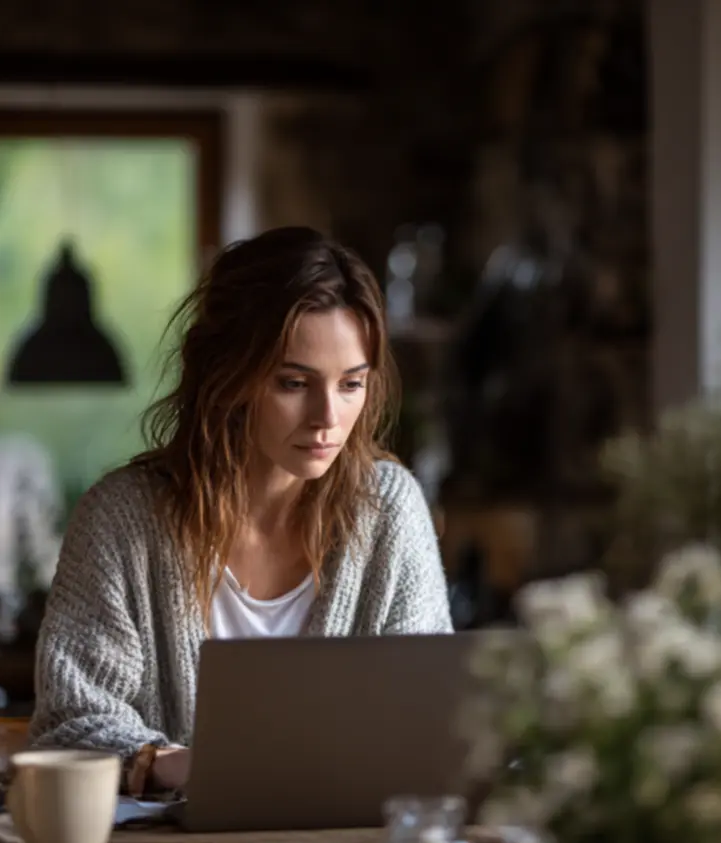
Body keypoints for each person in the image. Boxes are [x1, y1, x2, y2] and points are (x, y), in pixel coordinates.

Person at [27, 227, 453, 792]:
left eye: (351, 384)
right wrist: (167, 763)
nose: (327, 416)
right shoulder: (123, 521)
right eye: (293, 382)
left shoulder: (389, 510)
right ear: (229, 376)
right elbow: (69, 720)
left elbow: (423, 716)